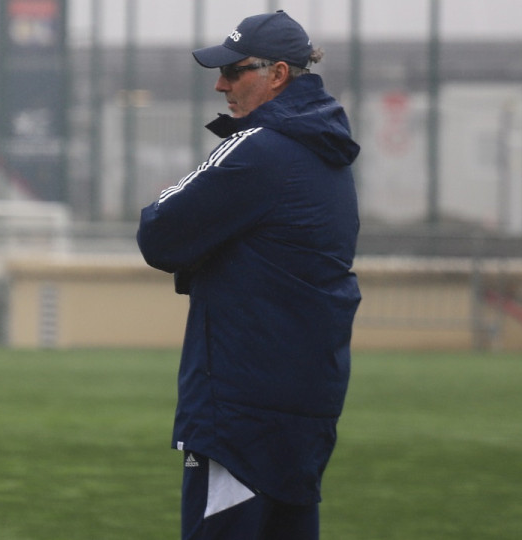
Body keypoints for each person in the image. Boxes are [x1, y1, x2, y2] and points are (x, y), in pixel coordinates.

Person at [136, 11, 361, 540]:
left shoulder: (259, 149)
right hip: (307, 405)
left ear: (277, 74)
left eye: (233, 72)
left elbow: (159, 232)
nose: (221, 85)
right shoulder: (329, 154)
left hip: (241, 411)